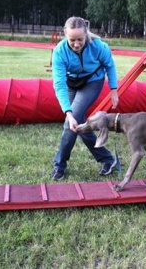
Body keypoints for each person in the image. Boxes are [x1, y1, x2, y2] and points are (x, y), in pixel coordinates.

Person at [51, 16, 119, 180]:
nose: (76, 44)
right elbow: (59, 84)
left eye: (80, 39)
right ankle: (107, 159)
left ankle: (59, 166)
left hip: (92, 81)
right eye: (72, 40)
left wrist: (114, 90)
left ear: (86, 34)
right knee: (76, 121)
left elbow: (109, 65)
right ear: (65, 35)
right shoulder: (59, 52)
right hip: (71, 83)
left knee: (70, 124)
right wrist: (68, 112)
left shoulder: (98, 46)